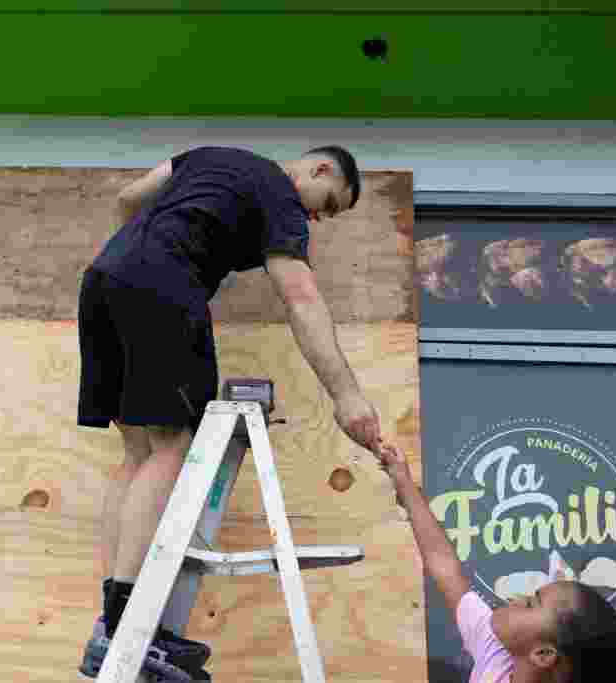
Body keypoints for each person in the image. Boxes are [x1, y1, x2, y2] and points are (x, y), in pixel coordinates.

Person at [77, 146, 384, 679]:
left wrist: (147, 247)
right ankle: (128, 624)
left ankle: (112, 624)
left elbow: (129, 198)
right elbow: (302, 299)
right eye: (328, 204)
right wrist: (346, 395)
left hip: (104, 278)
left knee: (138, 452)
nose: (317, 218)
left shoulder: (211, 157)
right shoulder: (280, 193)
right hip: (162, 285)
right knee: (173, 448)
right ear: (319, 169)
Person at [377, 443, 616, 683]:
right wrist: (403, 481)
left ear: (543, 655)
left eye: (531, 604)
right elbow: (445, 568)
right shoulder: (496, 653)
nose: (518, 598)